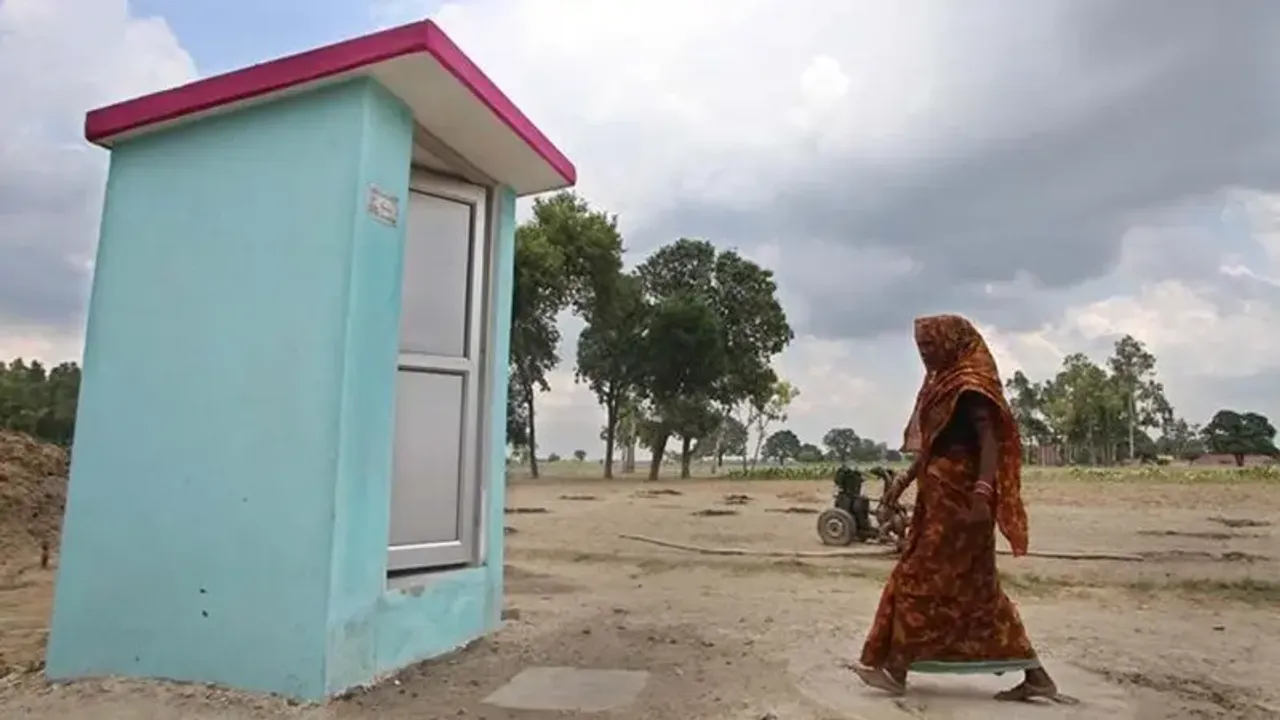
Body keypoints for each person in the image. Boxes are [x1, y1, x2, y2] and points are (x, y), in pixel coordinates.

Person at [852, 313, 1060, 702]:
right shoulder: (940, 384)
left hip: (965, 506)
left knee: (917, 578)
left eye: (929, 346)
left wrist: (983, 494)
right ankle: (1037, 677)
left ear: (950, 342)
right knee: (975, 593)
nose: (925, 355)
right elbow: (934, 446)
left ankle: (896, 670)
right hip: (938, 503)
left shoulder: (970, 387)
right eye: (920, 349)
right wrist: (904, 481)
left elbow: (990, 443)